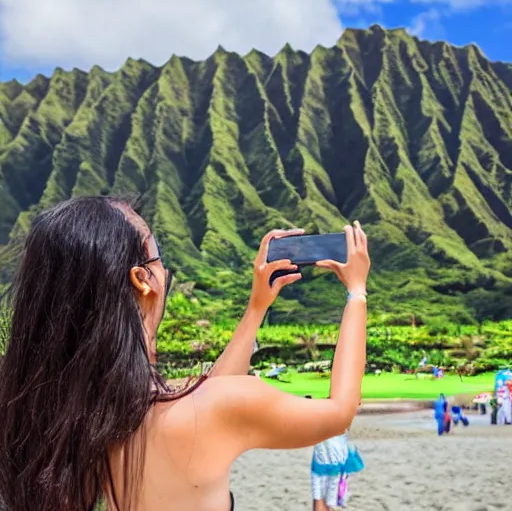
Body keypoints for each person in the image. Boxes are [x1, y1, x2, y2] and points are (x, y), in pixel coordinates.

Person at [0, 196, 370, 511]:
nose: (164, 270)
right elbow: (340, 412)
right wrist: (356, 293)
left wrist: (257, 308)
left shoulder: (71, 415)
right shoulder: (205, 409)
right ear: (142, 279)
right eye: (158, 257)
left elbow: (211, 394)